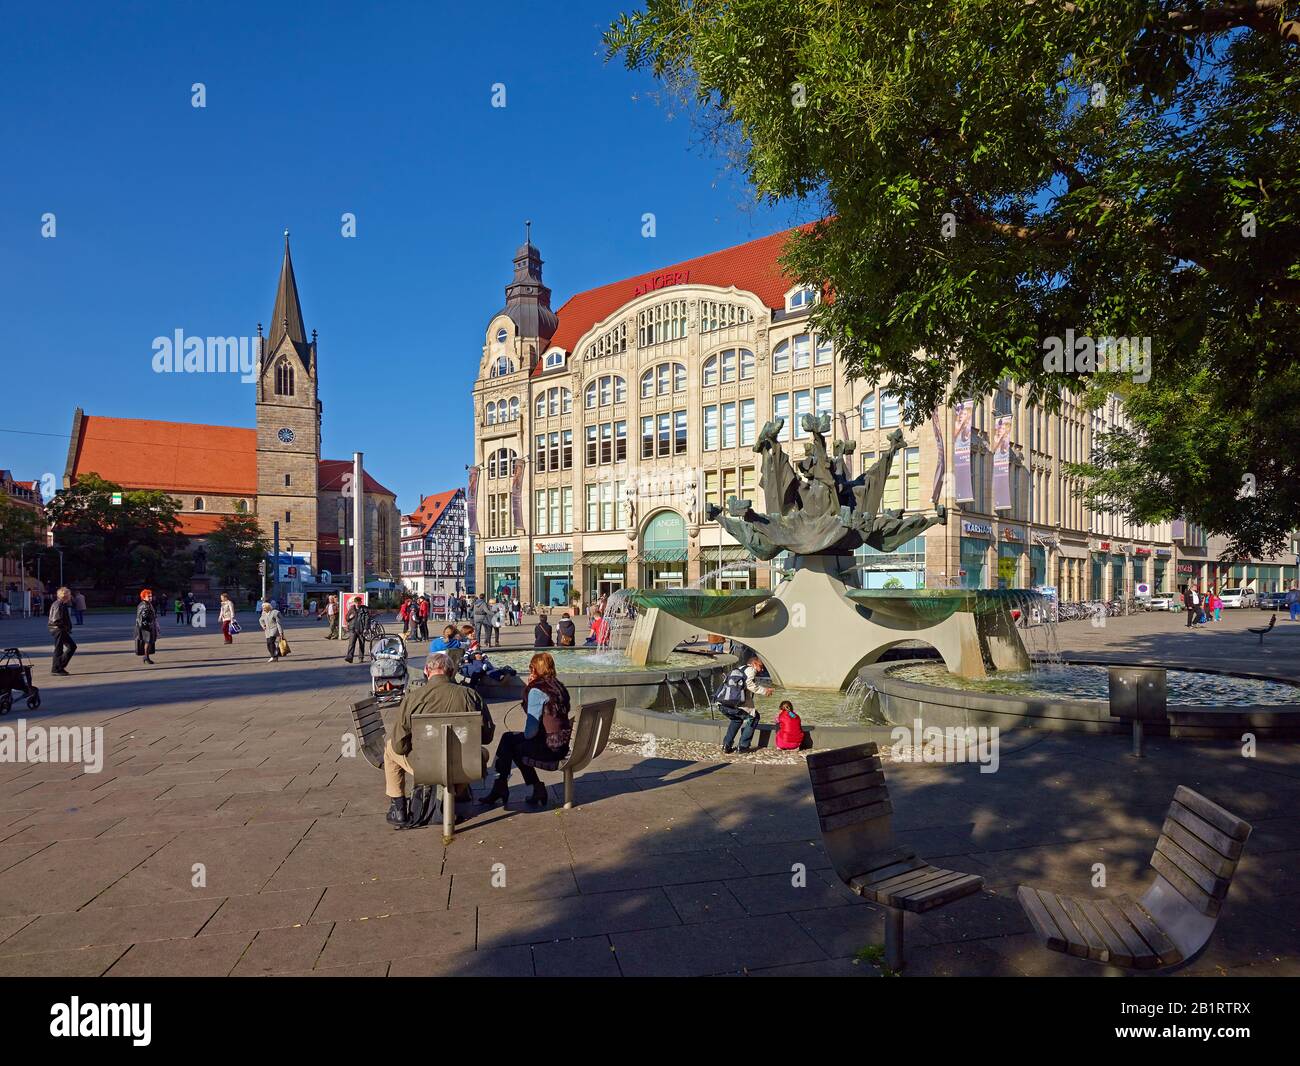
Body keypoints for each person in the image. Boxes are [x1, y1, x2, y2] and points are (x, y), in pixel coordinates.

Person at [384, 651, 494, 830]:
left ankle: (398, 807)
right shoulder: (470, 695)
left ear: (427, 670)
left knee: (390, 748)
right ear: (451, 672)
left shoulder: (413, 698)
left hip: (425, 766)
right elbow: (487, 737)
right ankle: (456, 791)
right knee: (483, 753)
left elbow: (399, 745)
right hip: (464, 765)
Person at [480, 651, 571, 810]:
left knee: (511, 746)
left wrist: (528, 690)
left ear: (535, 670)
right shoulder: (558, 686)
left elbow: (531, 731)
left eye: (531, 668)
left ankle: (506, 786)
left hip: (550, 748)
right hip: (561, 743)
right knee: (508, 738)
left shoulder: (537, 690)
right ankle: (512, 786)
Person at [714, 656, 773, 754]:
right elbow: (749, 684)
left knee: (736, 719)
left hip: (723, 703)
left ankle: (726, 745)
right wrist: (765, 691)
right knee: (754, 717)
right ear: (754, 663)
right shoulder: (751, 670)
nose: (762, 669)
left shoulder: (739, 669)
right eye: (761, 666)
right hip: (735, 703)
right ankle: (743, 746)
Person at [48, 586, 76, 675]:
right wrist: (65, 627)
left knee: (66, 647)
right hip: (58, 629)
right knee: (63, 648)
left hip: (58, 629)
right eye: (69, 594)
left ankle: (58, 667)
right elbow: (56, 620)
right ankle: (57, 668)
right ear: (65, 595)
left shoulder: (60, 604)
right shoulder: (59, 605)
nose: (70, 596)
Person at [135, 589, 159, 664]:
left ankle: (146, 656)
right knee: (148, 641)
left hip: (149, 625)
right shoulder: (144, 604)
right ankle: (146, 657)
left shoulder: (148, 603)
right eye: (148, 596)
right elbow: (143, 616)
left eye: (151, 596)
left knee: (149, 641)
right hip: (146, 627)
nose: (150, 597)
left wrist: (156, 624)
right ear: (143, 597)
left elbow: (152, 616)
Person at [344, 595, 369, 663]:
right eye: (356, 603)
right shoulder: (352, 608)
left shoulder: (365, 609)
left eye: (359, 603)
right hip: (353, 629)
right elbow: (346, 618)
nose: (358, 604)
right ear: (354, 603)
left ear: (361, 602)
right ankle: (349, 657)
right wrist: (350, 617)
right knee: (351, 644)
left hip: (361, 629)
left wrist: (366, 628)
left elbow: (367, 619)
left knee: (362, 644)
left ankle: (361, 657)